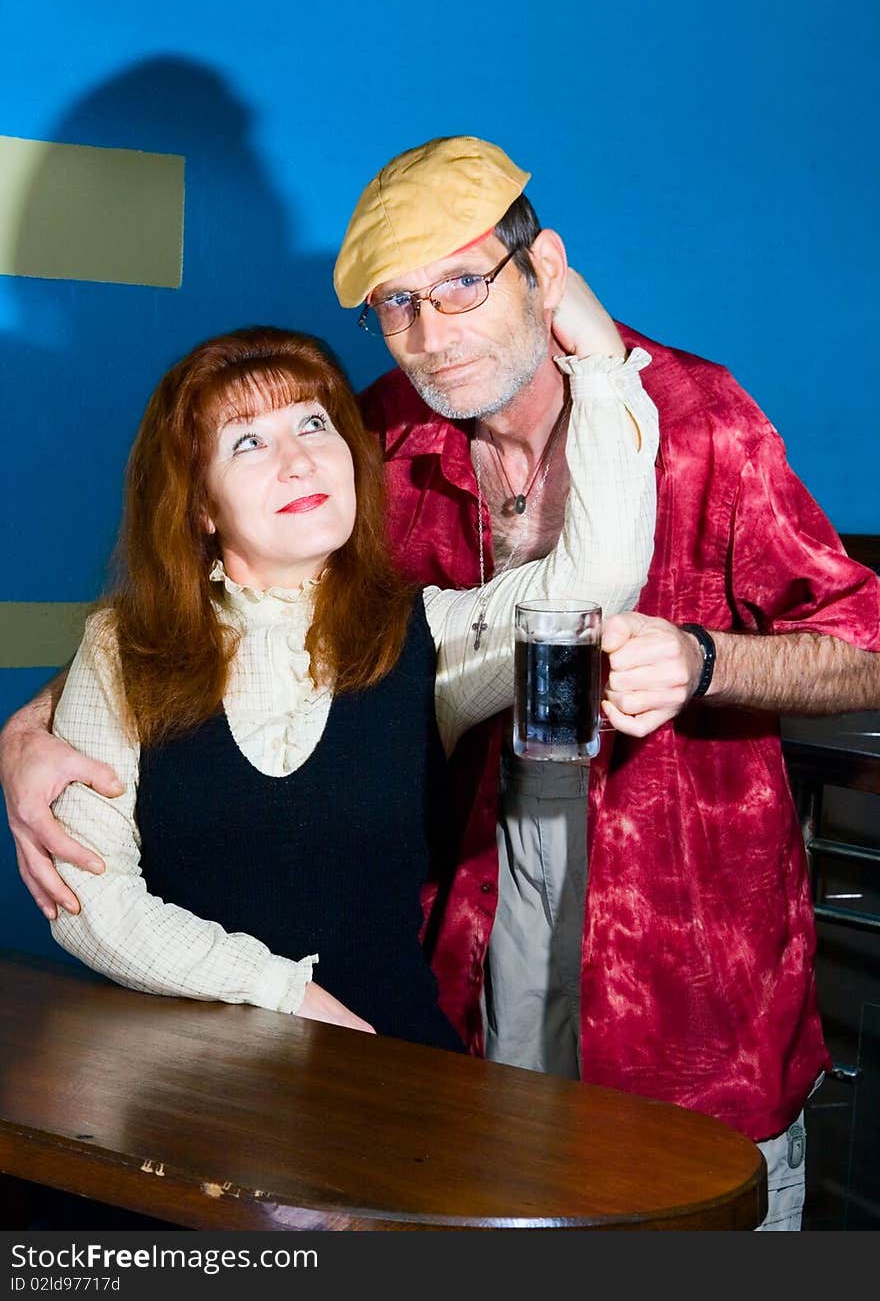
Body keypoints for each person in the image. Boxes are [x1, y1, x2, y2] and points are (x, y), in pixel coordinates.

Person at [4, 134, 879, 1228]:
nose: (433, 331)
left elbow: (860, 641)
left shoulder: (700, 421)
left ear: (545, 270)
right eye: (397, 301)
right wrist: (38, 720)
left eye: (463, 282)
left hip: (683, 989)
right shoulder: (373, 434)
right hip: (450, 996)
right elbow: (213, 617)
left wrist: (707, 660)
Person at [10, 321, 657, 1051]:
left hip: (389, 1076)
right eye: (248, 441)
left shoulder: (431, 632)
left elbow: (596, 579)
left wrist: (598, 358)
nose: (298, 462)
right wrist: (286, 993)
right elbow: (88, 904)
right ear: (199, 506)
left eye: (314, 425)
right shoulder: (121, 649)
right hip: (184, 1088)